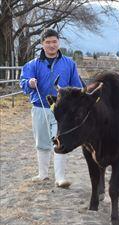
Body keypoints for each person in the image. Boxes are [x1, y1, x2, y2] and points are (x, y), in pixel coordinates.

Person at [20, 29, 83, 188]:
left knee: (59, 141)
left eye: (54, 41)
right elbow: (23, 83)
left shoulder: (69, 63)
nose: (51, 45)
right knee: (41, 142)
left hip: (62, 111)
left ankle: (60, 178)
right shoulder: (32, 64)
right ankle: (43, 174)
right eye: (47, 42)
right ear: (42, 44)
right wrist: (29, 83)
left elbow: (77, 86)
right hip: (39, 107)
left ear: (58, 42)